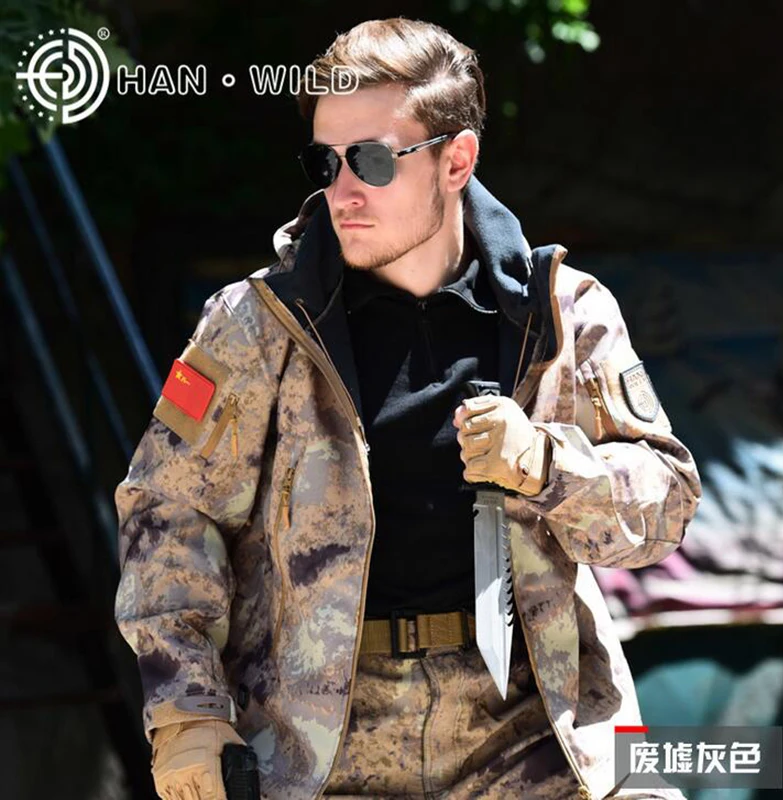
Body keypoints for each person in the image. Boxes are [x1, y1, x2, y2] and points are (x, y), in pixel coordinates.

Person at [114, 17, 702, 800]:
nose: (341, 191)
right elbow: (167, 512)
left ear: (456, 160)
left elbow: (665, 507)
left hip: (536, 735)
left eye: (370, 160)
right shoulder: (256, 326)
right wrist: (187, 712)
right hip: (319, 747)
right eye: (325, 162)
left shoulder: (562, 314)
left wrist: (546, 465)